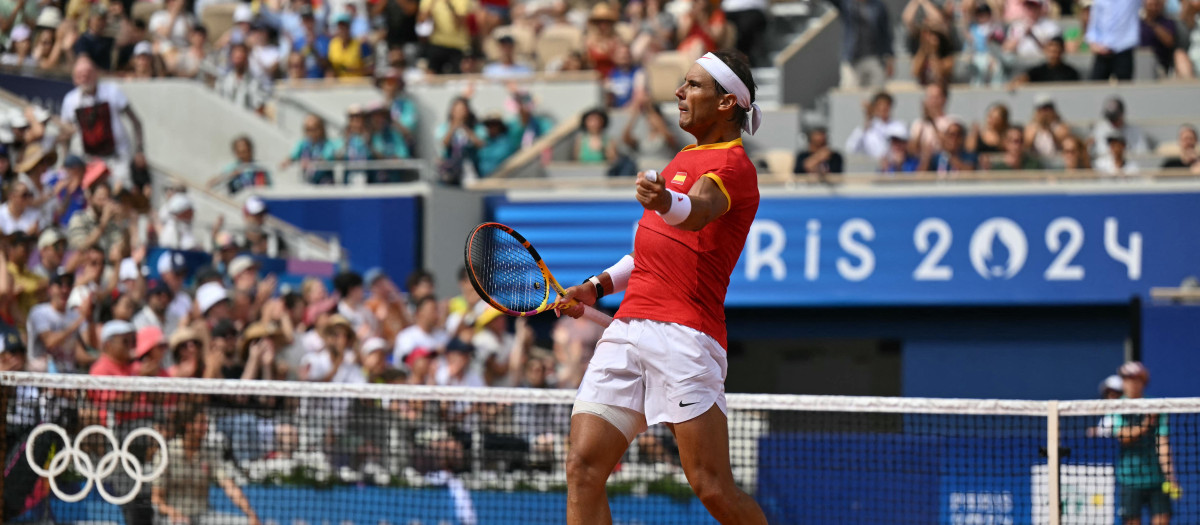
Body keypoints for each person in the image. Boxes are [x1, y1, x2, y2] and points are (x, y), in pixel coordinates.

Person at [554, 50, 767, 525]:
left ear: (727, 102)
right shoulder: (681, 157)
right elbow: (649, 250)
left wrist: (666, 198)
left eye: (692, 85)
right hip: (627, 329)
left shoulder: (735, 166)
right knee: (582, 468)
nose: (678, 93)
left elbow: (696, 214)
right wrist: (595, 285)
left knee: (712, 488)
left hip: (686, 337)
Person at [152, 406, 262, 525]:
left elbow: (229, 486)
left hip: (203, 515)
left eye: (206, 423)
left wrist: (250, 513)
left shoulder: (209, 454)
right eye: (201, 423)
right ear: (188, 425)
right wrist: (171, 512)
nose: (205, 427)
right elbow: (156, 498)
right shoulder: (166, 454)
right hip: (172, 517)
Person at [59, 56, 148, 192]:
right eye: (80, 76)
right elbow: (64, 135)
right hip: (89, 161)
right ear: (75, 79)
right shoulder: (70, 100)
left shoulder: (112, 91)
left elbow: (136, 121)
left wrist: (139, 151)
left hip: (118, 157)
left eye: (88, 74)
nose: (85, 79)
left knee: (121, 192)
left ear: (95, 74)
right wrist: (64, 162)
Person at [1113, 361, 1176, 525]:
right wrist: (1147, 423)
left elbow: (1162, 442)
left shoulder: (1155, 405)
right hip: (1130, 480)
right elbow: (1123, 436)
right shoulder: (1116, 406)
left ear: (1143, 381)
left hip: (1156, 480)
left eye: (1135, 378)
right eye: (1126, 379)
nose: (1131, 383)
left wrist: (1170, 476)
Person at [26, 271, 88, 373]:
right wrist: (79, 321)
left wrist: (88, 315)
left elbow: (84, 347)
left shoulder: (75, 315)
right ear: (49, 289)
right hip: (40, 377)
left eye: (68, 285)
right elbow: (50, 342)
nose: (65, 290)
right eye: (60, 284)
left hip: (69, 376)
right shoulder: (39, 312)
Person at [1086, 0, 1141, 80]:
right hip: (1102, 51)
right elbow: (1094, 25)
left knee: (1124, 88)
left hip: (1124, 49)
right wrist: (1094, 44)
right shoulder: (1099, 1)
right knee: (1096, 87)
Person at [281, 114, 341, 185]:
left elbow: (326, 157)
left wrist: (311, 163)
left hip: (326, 183)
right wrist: (286, 162)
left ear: (321, 129)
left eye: (314, 129)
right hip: (308, 182)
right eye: (307, 129)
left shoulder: (329, 144)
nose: (311, 133)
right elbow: (292, 156)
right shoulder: (302, 144)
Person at [845, 91, 899, 160]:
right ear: (875, 107)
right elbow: (850, 148)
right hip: (870, 168)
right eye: (880, 105)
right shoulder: (865, 129)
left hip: (893, 168)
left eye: (886, 105)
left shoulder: (899, 127)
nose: (883, 108)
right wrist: (868, 121)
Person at [1012, 36, 1081, 84]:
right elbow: (1024, 78)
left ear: (1062, 52)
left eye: (1056, 51)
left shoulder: (1071, 73)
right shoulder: (1038, 71)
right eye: (1050, 51)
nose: (1053, 55)